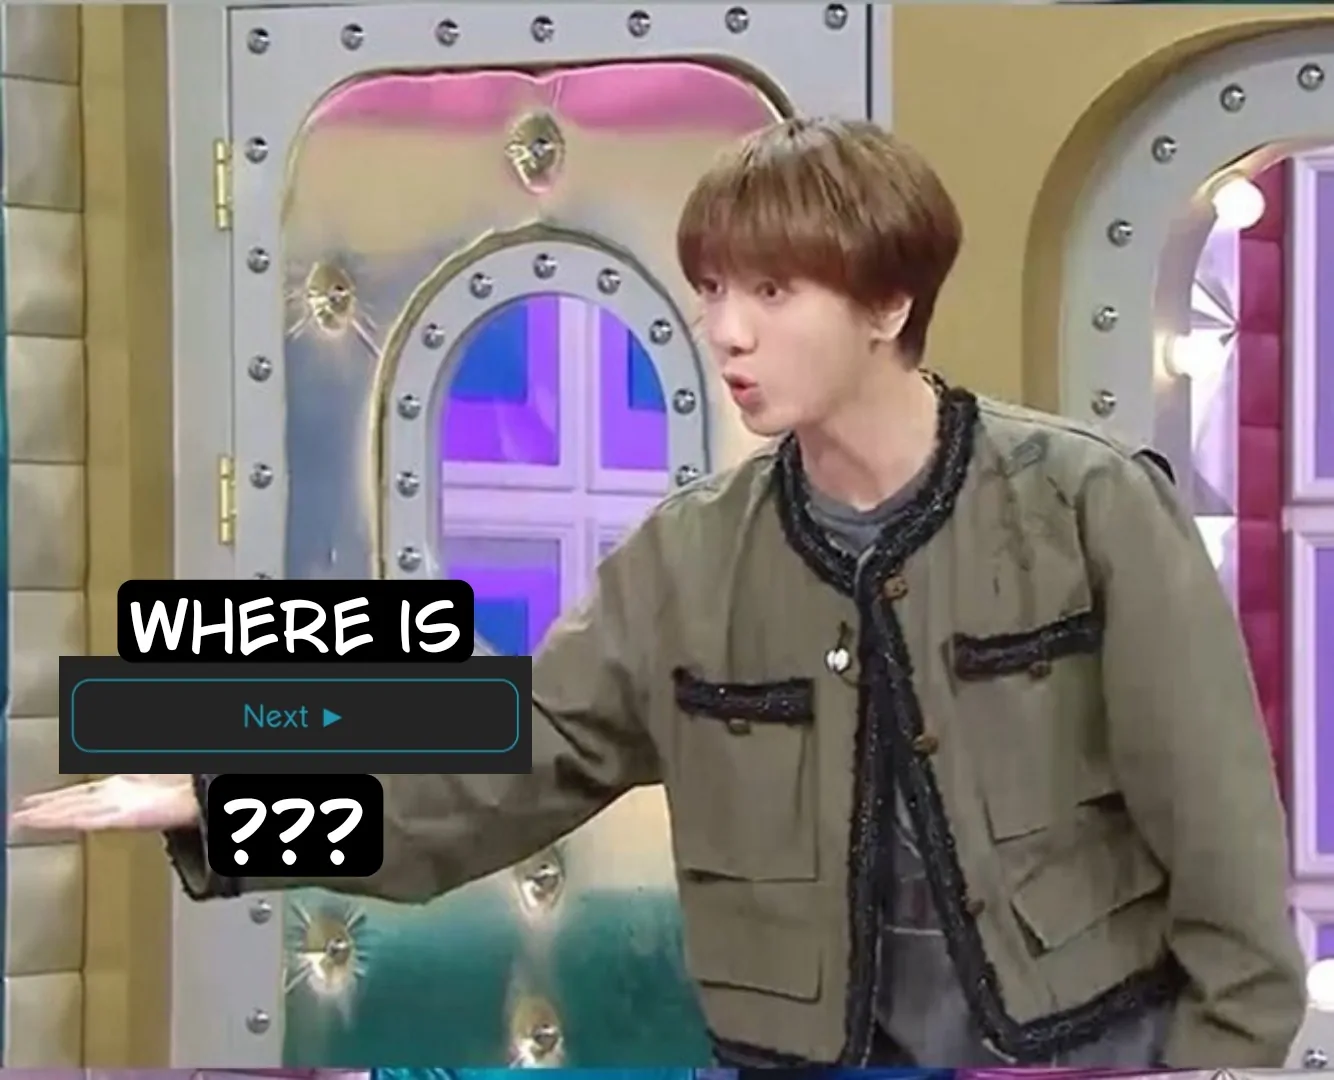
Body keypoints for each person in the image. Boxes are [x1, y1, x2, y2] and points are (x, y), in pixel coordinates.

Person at [14, 117, 1305, 1067]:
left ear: (886, 302)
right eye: (712, 291)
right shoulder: (687, 560)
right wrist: (232, 802)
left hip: (1083, 1049)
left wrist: (1228, 1062)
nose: (725, 331)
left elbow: (1218, 823)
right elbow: (497, 758)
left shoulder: (1083, 506)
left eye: (772, 291)